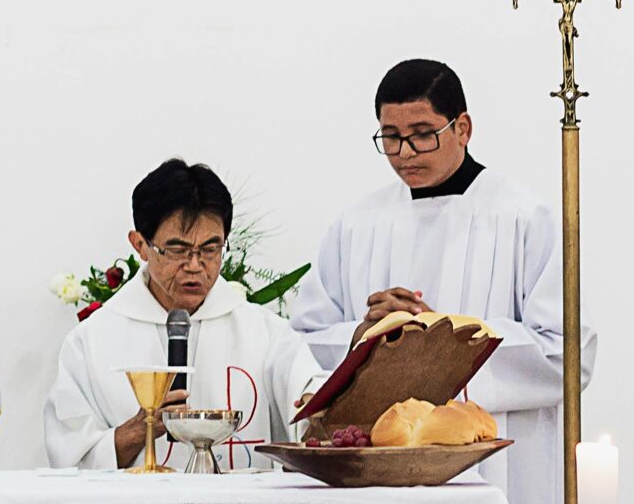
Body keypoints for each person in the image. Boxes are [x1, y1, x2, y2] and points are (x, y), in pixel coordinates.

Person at [292, 59, 595, 503]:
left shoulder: (523, 217)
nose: (406, 153)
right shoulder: (358, 223)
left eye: (422, 133)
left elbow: (566, 353)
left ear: (463, 128)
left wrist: (447, 338)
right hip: (381, 463)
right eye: (391, 137)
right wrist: (369, 337)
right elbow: (305, 342)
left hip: (496, 463)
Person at [45, 158, 323, 470]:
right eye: (178, 250)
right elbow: (70, 456)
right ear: (141, 245)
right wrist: (142, 427)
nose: (195, 265)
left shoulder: (265, 333)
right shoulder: (91, 341)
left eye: (209, 249)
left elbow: (310, 392)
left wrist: (317, 406)